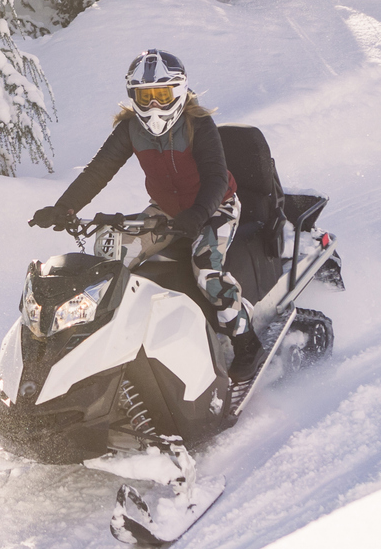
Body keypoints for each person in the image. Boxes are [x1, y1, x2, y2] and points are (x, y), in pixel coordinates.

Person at [29, 50, 255, 364]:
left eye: (162, 94)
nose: (153, 105)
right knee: (109, 260)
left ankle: (246, 340)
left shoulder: (198, 124)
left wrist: (199, 214)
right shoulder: (130, 128)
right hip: (166, 210)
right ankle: (103, 342)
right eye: (144, 96)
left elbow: (217, 177)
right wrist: (64, 207)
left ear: (178, 91)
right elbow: (99, 170)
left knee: (207, 271)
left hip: (216, 207)